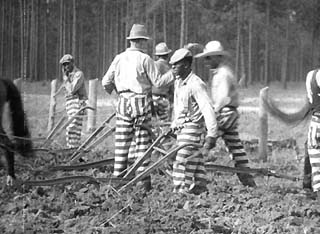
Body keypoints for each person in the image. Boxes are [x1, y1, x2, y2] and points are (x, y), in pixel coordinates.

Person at [101, 24, 174, 192]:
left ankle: (117, 182)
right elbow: (159, 82)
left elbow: (106, 82)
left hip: (123, 102)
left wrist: (117, 93)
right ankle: (143, 184)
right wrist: (174, 73)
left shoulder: (119, 58)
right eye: (145, 41)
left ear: (131, 41)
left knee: (122, 144)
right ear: (141, 41)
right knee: (142, 144)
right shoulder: (145, 59)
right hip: (140, 102)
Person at [194, 41, 256, 187]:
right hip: (228, 113)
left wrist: (211, 115)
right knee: (235, 147)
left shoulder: (223, 74)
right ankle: (247, 179)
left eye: (209, 58)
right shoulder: (220, 73)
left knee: (203, 138)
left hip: (225, 112)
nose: (206, 61)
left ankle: (195, 175)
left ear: (217, 57)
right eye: (205, 58)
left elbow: (223, 98)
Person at [169, 48, 219, 194]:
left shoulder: (196, 84)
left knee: (181, 161)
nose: (172, 68)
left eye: (175, 65)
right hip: (183, 128)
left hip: (193, 128)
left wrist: (212, 134)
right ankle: (200, 190)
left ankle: (180, 193)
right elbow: (178, 109)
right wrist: (173, 125)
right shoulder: (179, 82)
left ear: (185, 65)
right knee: (195, 162)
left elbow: (207, 108)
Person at [56, 54, 88, 149]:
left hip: (78, 101)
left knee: (73, 127)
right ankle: (72, 149)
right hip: (70, 103)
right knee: (73, 129)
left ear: (72, 63)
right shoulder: (67, 75)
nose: (66, 67)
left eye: (67, 64)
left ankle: (74, 150)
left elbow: (72, 90)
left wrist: (66, 79)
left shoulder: (78, 74)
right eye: (64, 65)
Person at [152, 42, 174, 122]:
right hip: (163, 99)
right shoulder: (170, 69)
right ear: (168, 55)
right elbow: (172, 87)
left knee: (151, 124)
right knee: (165, 123)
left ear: (157, 55)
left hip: (151, 98)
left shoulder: (152, 66)